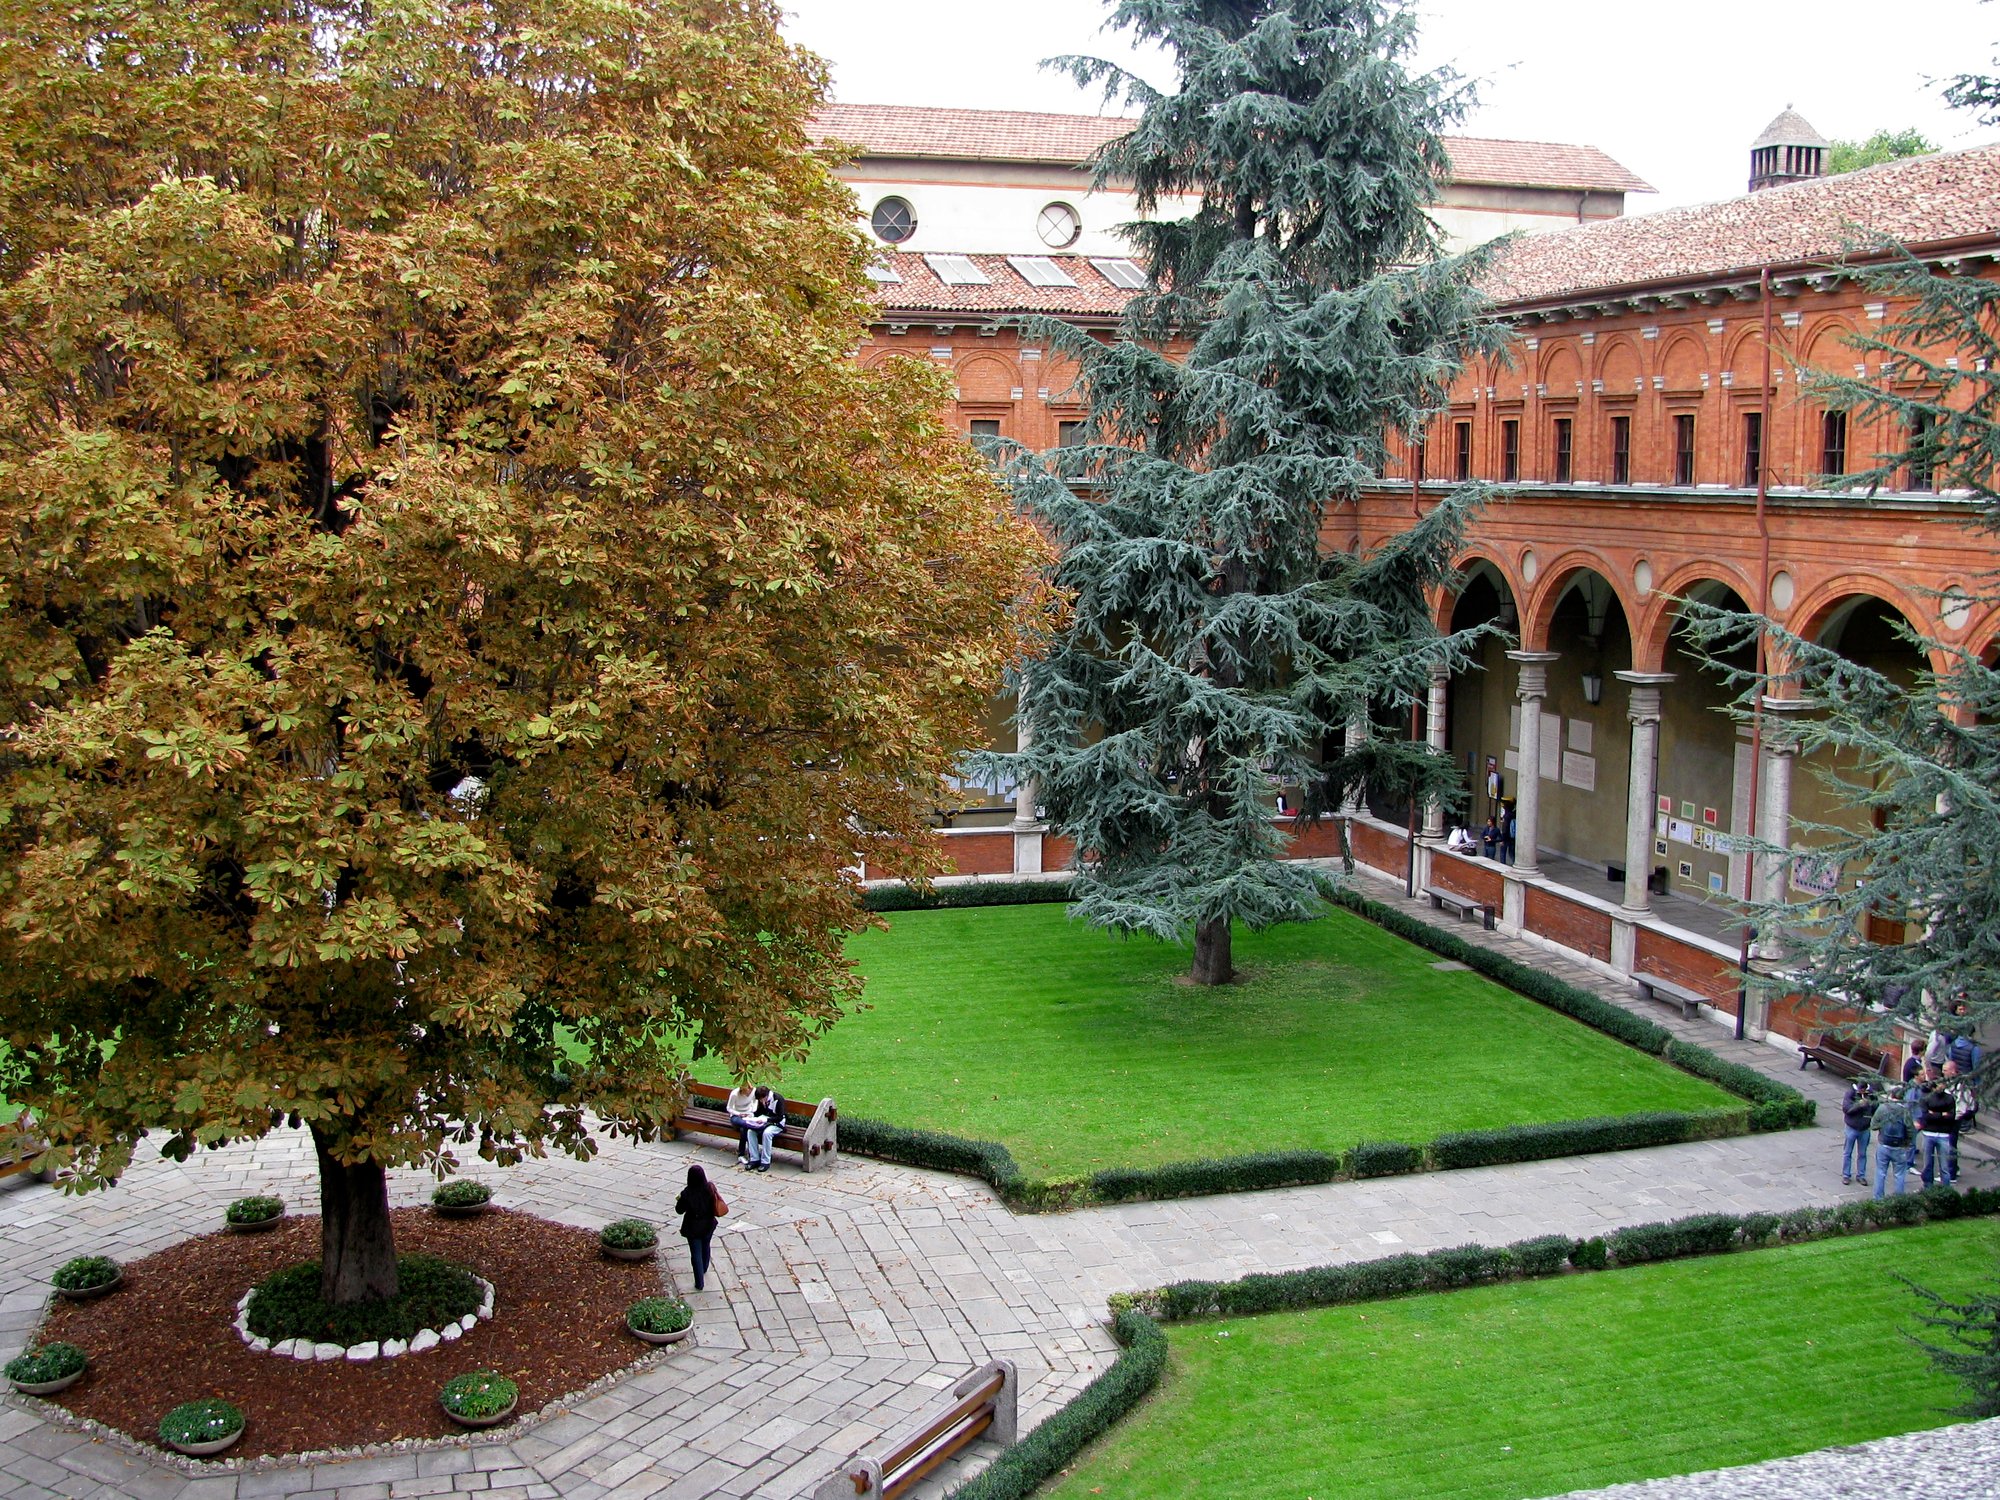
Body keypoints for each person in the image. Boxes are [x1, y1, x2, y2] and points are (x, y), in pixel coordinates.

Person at [675, 1163, 722, 1291]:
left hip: (693, 1227)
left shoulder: (687, 1193)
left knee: (695, 1253)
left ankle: (699, 1282)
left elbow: (679, 1210)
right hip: (708, 1224)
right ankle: (705, 1266)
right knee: (706, 1246)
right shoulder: (710, 1188)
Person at [1872, 1085, 1919, 1199]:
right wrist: (1907, 1144)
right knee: (1899, 1175)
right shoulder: (1905, 1112)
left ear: (1891, 1095)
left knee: (1880, 1172)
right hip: (1899, 1147)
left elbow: (1873, 1125)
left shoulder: (1882, 1108)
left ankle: (1878, 1199)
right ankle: (1899, 1200)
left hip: (1883, 1144)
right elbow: (1911, 1131)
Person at [1919, 1077, 1957, 1188]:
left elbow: (1951, 1117)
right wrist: (1942, 1115)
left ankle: (1946, 1189)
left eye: (1942, 1084)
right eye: (1938, 1085)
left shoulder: (1950, 1099)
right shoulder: (1926, 1098)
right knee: (1927, 1165)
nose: (1940, 1087)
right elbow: (1926, 1116)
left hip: (1943, 1134)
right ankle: (1928, 1187)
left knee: (1944, 1166)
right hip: (1929, 1133)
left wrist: (1934, 1114)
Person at [1840, 1079, 1877, 1185]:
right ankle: (1846, 1175)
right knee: (1847, 1152)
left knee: (1862, 1153)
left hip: (1864, 1128)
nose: (1862, 1092)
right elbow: (1847, 1109)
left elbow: (1876, 1107)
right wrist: (1859, 1105)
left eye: (1864, 1090)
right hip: (1852, 1127)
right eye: (1861, 1090)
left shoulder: (1871, 1094)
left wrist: (1870, 1104)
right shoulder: (1850, 1094)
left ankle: (1861, 1175)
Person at [747, 1085, 788, 1173]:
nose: (761, 1101)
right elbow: (759, 1112)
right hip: (765, 1122)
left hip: (777, 1124)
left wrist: (766, 1119)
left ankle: (765, 1161)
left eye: (761, 1099)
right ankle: (754, 1159)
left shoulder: (778, 1099)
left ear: (766, 1096)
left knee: (767, 1133)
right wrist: (752, 1117)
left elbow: (780, 1117)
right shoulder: (762, 1100)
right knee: (750, 1131)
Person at [724, 1082, 758, 1167]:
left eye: (748, 1092)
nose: (747, 1094)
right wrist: (739, 1114)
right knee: (745, 1124)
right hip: (737, 1116)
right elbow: (729, 1108)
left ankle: (742, 1154)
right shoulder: (735, 1094)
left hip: (748, 1115)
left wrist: (752, 1110)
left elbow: (755, 1101)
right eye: (745, 1092)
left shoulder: (754, 1091)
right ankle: (752, 1153)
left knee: (744, 1129)